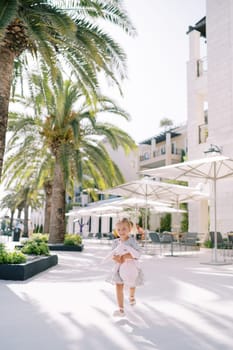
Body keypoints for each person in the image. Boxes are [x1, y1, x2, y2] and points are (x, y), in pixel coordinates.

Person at [105, 217, 144, 317]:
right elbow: (113, 255)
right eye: (119, 229)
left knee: (131, 284)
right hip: (119, 268)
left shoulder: (132, 241)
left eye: (124, 229)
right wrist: (117, 258)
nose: (121, 231)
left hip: (131, 268)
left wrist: (125, 256)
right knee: (118, 286)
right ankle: (121, 309)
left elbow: (138, 253)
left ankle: (131, 296)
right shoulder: (115, 242)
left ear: (129, 229)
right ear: (115, 231)